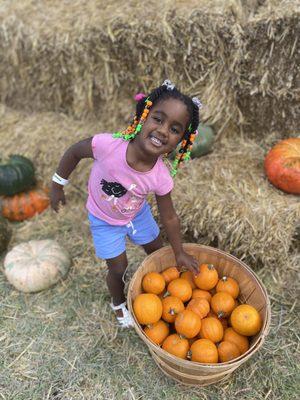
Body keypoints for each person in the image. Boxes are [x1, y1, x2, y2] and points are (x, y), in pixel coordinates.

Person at [50, 79, 202, 328]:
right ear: (143, 116)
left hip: (136, 214)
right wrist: (57, 184)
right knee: (118, 266)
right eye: (158, 119)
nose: (163, 131)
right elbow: (75, 152)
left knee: (157, 248)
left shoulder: (160, 175)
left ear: (181, 142)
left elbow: (170, 217)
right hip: (104, 220)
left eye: (175, 130)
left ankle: (161, 291)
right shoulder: (108, 145)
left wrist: (179, 252)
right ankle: (118, 302)